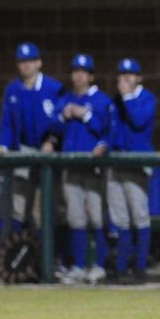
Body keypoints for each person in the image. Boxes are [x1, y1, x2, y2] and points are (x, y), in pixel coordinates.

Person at [47, 54, 112, 285]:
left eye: (84, 72)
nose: (79, 75)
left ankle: (100, 265)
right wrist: (64, 115)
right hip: (70, 165)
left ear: (91, 76)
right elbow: (52, 127)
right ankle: (77, 266)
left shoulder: (102, 101)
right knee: (75, 218)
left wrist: (86, 115)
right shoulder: (65, 99)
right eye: (76, 71)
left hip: (93, 166)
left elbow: (106, 132)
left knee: (96, 217)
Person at [0, 41, 63, 232]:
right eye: (22, 61)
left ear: (39, 63)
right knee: (19, 206)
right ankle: (19, 256)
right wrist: (2, 145)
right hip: (22, 149)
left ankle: (57, 258)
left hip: (48, 150)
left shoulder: (53, 88)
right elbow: (6, 122)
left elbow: (61, 121)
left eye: (30, 61)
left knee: (53, 206)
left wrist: (52, 141)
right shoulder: (13, 89)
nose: (26, 65)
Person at [108, 57, 156, 284]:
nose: (125, 79)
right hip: (116, 162)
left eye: (130, 75)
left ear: (139, 78)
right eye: (122, 75)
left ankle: (140, 268)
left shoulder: (147, 98)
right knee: (120, 219)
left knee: (139, 217)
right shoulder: (115, 100)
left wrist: (126, 95)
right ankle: (121, 269)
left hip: (137, 163)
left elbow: (138, 121)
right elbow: (113, 129)